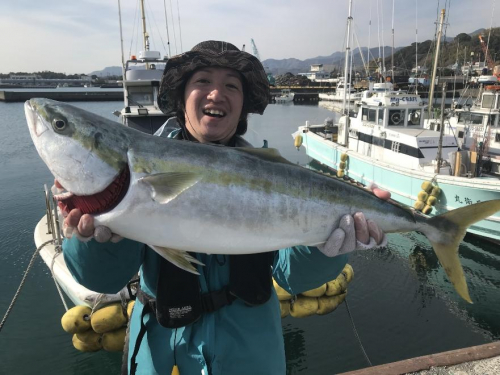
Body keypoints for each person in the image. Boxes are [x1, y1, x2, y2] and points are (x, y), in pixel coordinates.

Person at [61, 40, 389, 375]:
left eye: (231, 86)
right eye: (202, 81)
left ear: (243, 105)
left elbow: (293, 276)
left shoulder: (274, 176)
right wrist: (95, 244)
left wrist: (325, 248)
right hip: (162, 351)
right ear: (181, 97)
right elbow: (103, 278)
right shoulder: (140, 170)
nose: (217, 94)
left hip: (251, 352)